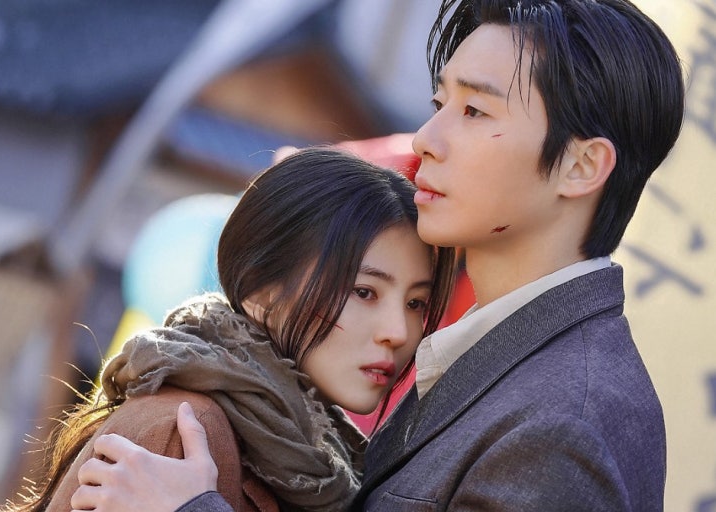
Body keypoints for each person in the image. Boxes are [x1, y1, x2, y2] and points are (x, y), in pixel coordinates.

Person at [68, 0, 686, 510]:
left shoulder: (564, 424)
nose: (427, 139)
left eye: (475, 110)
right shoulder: (497, 364)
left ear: (580, 166)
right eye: (440, 105)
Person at [0, 147, 455, 512]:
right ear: (262, 293)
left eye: (416, 303)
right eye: (364, 292)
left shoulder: (320, 455)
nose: (399, 331)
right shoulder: (182, 433)